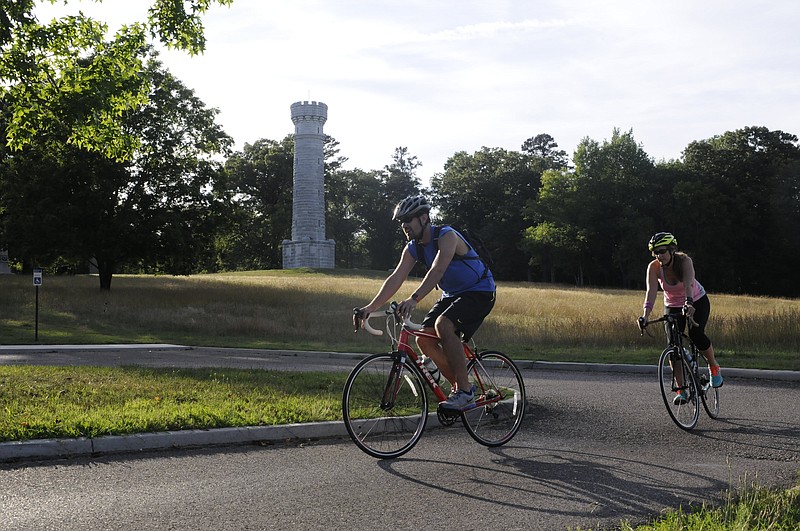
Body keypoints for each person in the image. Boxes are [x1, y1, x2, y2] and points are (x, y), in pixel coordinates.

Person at [353, 194, 496, 410]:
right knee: (424, 339)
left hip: (479, 291)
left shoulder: (447, 236)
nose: (404, 226)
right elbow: (396, 277)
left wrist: (414, 299)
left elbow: (438, 269)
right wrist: (369, 308)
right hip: (452, 295)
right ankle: (460, 389)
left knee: (443, 325)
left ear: (423, 218)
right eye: (402, 222)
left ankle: (465, 392)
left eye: (408, 220)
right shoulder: (414, 247)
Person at [640, 232, 723, 404]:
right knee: (673, 348)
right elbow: (651, 292)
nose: (658, 255)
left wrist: (689, 303)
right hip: (671, 304)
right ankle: (681, 390)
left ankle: (713, 367)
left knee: (696, 334)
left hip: (696, 300)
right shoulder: (653, 267)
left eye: (662, 251)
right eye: (655, 252)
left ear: (671, 250)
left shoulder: (685, 261)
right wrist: (645, 316)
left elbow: (688, 284)